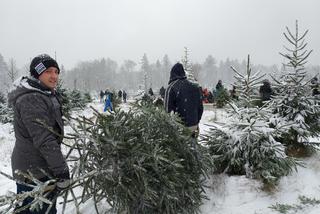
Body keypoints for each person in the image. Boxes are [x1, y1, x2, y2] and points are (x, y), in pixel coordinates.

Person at [8, 54, 70, 214]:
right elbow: (44, 138)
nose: (54, 76)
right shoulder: (32, 99)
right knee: (41, 209)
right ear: (37, 74)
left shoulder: (44, 93)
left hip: (39, 165)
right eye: (49, 71)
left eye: (56, 71)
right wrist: (61, 170)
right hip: (34, 170)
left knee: (29, 209)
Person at [164, 63, 203, 136]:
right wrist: (195, 122)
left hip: (179, 128)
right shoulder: (195, 87)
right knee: (193, 146)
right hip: (193, 126)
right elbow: (200, 108)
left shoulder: (171, 88)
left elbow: (167, 110)